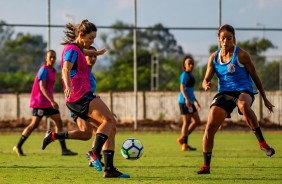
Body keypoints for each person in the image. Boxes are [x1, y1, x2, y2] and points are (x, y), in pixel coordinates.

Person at [41, 19, 130, 178]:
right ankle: (94, 153)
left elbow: (84, 52)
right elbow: (65, 68)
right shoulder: (72, 50)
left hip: (77, 98)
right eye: (90, 39)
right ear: (81, 35)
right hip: (79, 94)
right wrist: (67, 85)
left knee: (111, 129)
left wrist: (96, 52)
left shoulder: (76, 49)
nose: (92, 42)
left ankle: (109, 170)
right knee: (109, 121)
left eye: (94, 39)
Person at [197, 24, 275, 174]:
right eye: (223, 38)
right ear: (219, 40)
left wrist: (264, 98)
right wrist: (205, 83)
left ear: (233, 39)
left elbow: (255, 76)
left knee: (243, 105)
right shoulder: (214, 58)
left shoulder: (242, 55)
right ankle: (206, 166)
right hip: (225, 93)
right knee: (210, 127)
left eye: (229, 38)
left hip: (243, 90)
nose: (226, 41)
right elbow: (205, 78)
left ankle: (262, 143)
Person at [13, 50, 77, 156]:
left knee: (59, 123)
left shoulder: (54, 71)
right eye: (50, 57)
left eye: (54, 57)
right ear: (46, 58)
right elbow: (42, 87)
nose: (52, 59)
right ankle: (18, 146)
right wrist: (52, 100)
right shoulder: (43, 70)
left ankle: (64, 149)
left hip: (48, 103)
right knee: (34, 125)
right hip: (40, 102)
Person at [177, 55, 201, 151]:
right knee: (186, 122)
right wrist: (186, 99)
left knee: (197, 121)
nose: (191, 65)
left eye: (192, 63)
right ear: (185, 65)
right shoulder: (184, 75)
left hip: (190, 102)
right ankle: (185, 145)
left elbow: (190, 91)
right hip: (184, 102)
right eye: (189, 64)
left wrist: (196, 102)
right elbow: (182, 88)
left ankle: (183, 139)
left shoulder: (191, 76)